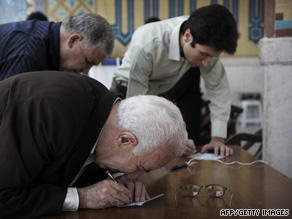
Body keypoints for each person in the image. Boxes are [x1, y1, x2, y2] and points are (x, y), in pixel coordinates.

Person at [0, 71, 188, 218]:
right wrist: (82, 197)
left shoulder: (107, 112)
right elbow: (4, 197)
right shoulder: (52, 114)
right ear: (124, 140)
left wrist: (117, 176)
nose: (135, 177)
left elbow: (84, 153)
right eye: (140, 167)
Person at [110, 5, 238, 156]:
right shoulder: (148, 42)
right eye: (203, 54)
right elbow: (137, 105)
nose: (207, 63)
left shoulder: (205, 44)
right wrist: (169, 142)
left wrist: (217, 139)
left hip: (156, 92)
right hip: (127, 93)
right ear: (188, 36)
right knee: (124, 150)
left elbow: (218, 90)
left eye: (213, 57)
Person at [0, 13, 113, 81]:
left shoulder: (48, 42)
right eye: (88, 61)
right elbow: (8, 110)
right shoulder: (28, 53)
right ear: (73, 40)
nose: (86, 70)